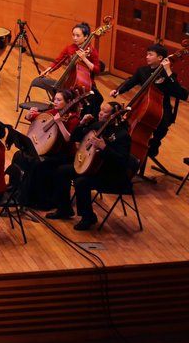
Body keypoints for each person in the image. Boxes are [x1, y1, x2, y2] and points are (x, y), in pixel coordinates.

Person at [47, 102, 137, 230]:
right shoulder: (98, 125)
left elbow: (121, 160)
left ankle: (88, 217)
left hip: (111, 174)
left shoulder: (122, 135)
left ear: (114, 116)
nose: (100, 113)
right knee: (62, 171)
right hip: (92, 167)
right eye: (100, 110)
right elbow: (74, 138)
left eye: (105, 112)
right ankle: (64, 209)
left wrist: (104, 147)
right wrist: (82, 124)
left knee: (81, 182)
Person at [111, 42, 186, 163]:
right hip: (143, 103)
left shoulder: (167, 73)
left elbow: (180, 93)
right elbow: (131, 82)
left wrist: (168, 70)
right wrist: (118, 90)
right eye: (147, 54)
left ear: (160, 58)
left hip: (162, 108)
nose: (147, 57)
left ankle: (154, 144)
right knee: (127, 120)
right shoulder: (142, 71)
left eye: (150, 54)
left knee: (162, 125)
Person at [13, 87, 82, 209]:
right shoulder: (55, 111)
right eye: (55, 99)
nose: (55, 102)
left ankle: (38, 200)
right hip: (51, 150)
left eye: (59, 100)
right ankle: (16, 190)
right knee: (19, 155)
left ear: (68, 102)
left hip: (64, 154)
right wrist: (30, 115)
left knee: (38, 163)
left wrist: (59, 123)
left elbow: (69, 139)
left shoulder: (74, 119)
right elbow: (40, 118)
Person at [40, 21, 102, 94]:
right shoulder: (70, 48)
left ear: (86, 37)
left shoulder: (92, 51)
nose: (75, 38)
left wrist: (84, 59)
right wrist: (47, 71)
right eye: (73, 35)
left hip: (86, 84)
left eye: (78, 36)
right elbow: (58, 62)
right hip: (69, 80)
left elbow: (97, 70)